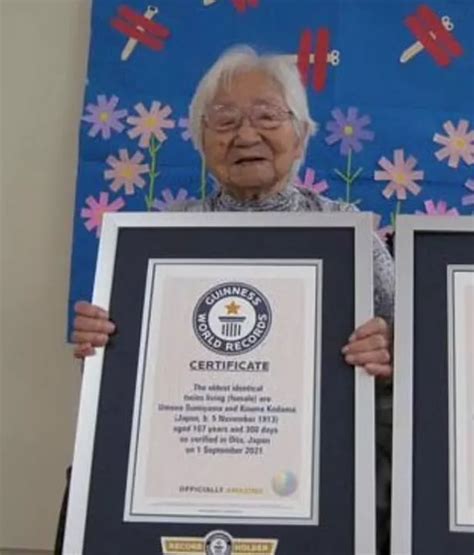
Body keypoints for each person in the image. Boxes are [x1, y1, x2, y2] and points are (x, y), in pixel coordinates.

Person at [68, 46, 394, 554]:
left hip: (321, 474)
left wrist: (388, 356)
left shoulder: (353, 237)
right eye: (223, 121)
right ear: (200, 140)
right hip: (194, 464)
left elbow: (422, 370)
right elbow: (133, 388)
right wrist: (101, 348)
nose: (245, 135)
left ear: (301, 132)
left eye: (267, 116)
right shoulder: (158, 240)